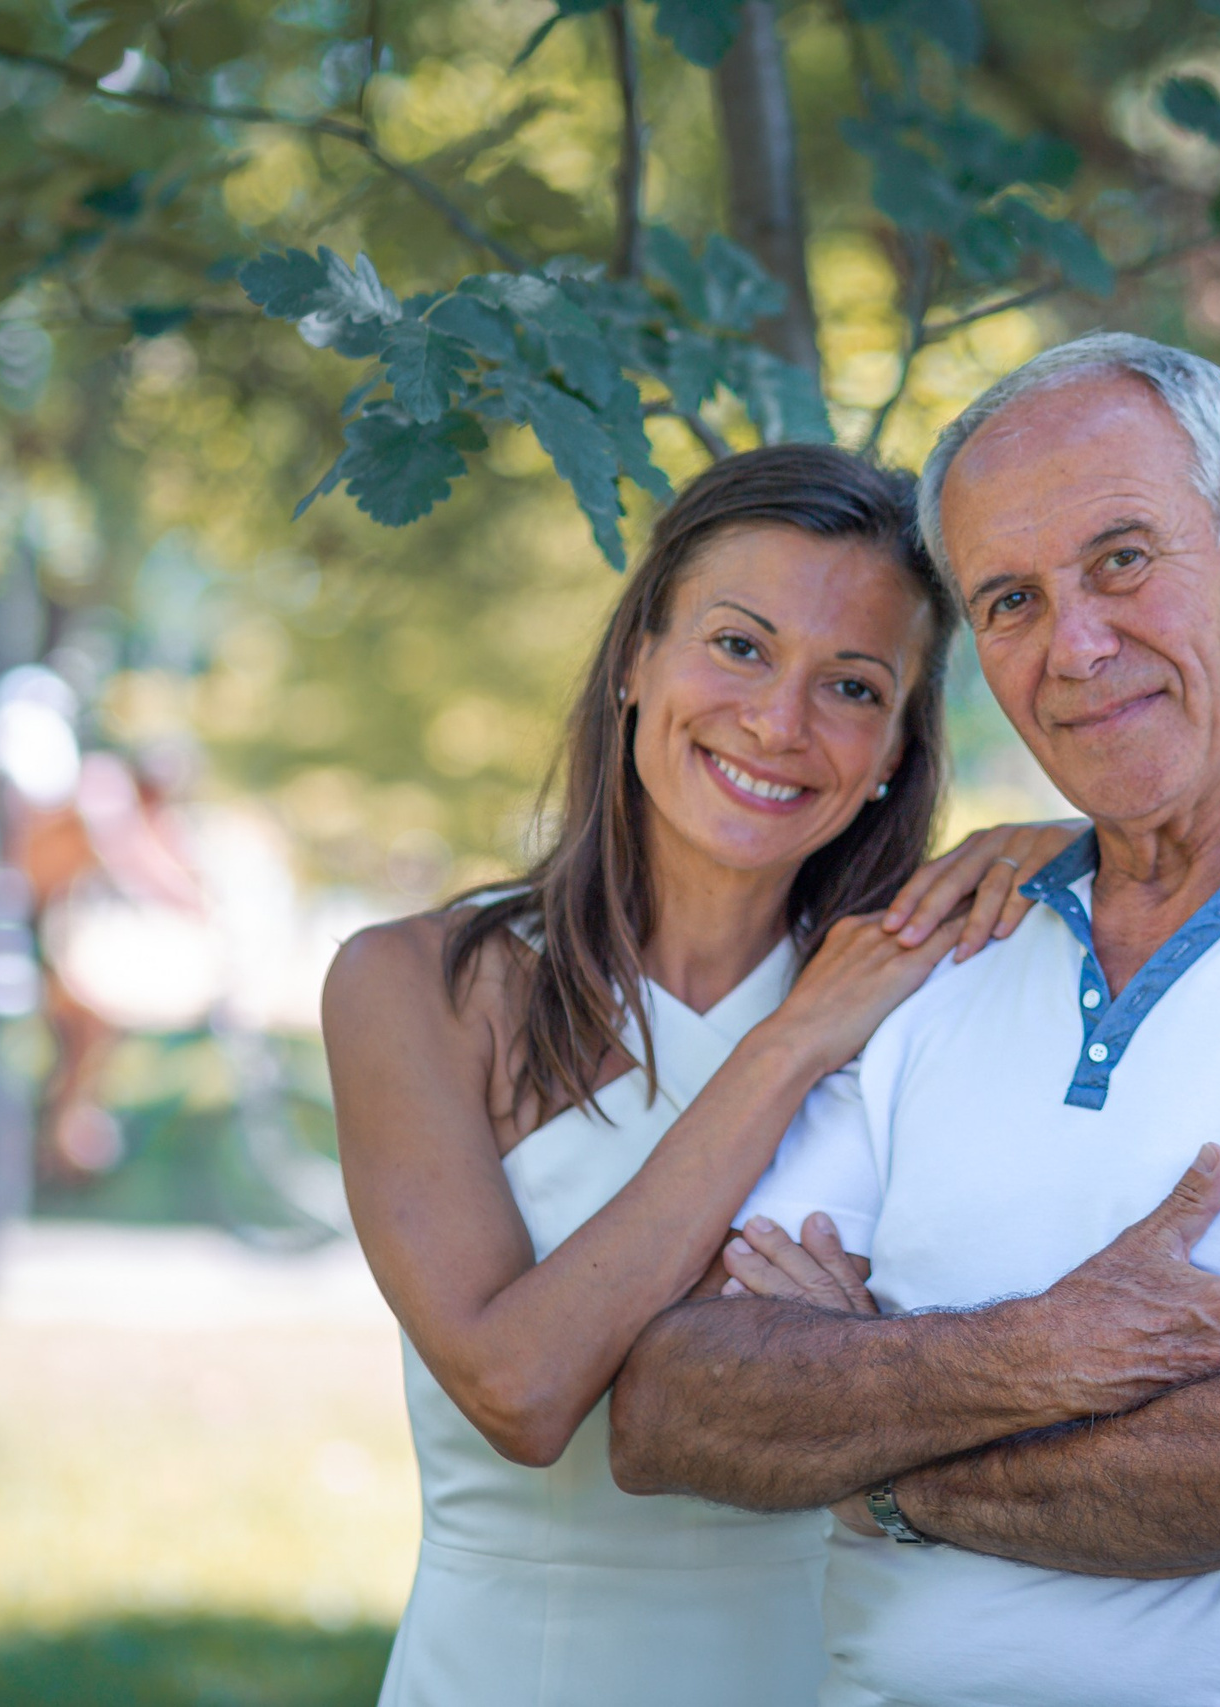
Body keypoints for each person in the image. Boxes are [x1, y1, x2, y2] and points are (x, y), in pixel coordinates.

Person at [607, 335, 1220, 1707]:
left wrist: (883, 1472)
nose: (1075, 646)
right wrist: (1048, 1349)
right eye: (1011, 599)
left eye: (1123, 560)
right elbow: (675, 1403)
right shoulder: (941, 950)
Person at [321, 445, 1119, 1707]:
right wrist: (791, 1045)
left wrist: (1089, 846)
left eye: (851, 686)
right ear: (635, 659)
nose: (778, 723)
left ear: (898, 747)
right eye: (739, 646)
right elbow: (520, 1390)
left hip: (828, 1672)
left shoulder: (939, 994)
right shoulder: (417, 984)